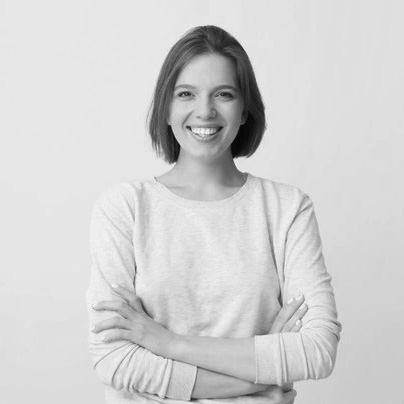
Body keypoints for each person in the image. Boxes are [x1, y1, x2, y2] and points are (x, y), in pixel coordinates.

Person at [86, 25, 342, 404]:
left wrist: (167, 343)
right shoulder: (124, 207)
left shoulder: (287, 208)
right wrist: (262, 374)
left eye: (224, 94)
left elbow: (317, 351)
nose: (205, 111)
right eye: (186, 94)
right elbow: (115, 361)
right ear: (166, 108)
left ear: (244, 110)